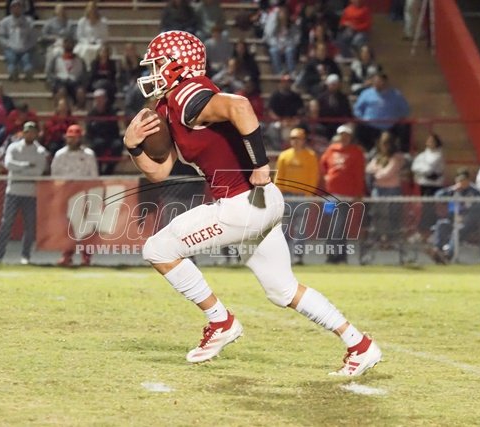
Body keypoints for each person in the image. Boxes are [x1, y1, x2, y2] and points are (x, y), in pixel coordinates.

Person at [125, 30, 381, 375]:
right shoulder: (169, 105)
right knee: (282, 290)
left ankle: (221, 321)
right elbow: (159, 172)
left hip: (241, 203)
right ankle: (359, 344)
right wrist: (133, 146)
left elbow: (241, 106)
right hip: (260, 202)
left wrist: (261, 164)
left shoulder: (188, 93)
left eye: (157, 64)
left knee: (158, 249)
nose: (152, 71)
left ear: (177, 64)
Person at [0, 121, 48, 265]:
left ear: (36, 134)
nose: (29, 135)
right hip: (13, 191)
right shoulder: (13, 147)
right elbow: (8, 164)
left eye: (32, 132)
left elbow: (38, 171)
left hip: (31, 192)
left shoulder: (40, 151)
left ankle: (25, 255)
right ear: (23, 133)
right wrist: (27, 165)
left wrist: (19, 169)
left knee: (30, 226)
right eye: (27, 132)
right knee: (6, 223)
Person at [51, 124, 98, 266]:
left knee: (86, 226)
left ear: (80, 138)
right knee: (67, 226)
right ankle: (67, 255)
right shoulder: (60, 155)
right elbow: (54, 174)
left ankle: (86, 257)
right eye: (70, 137)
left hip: (84, 193)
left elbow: (94, 175)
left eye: (75, 137)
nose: (72, 140)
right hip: (66, 193)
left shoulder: (88, 155)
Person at [319, 124, 366, 263]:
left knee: (338, 223)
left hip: (346, 194)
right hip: (330, 194)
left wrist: (358, 192)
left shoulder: (356, 152)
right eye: (342, 135)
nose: (344, 138)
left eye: (347, 135)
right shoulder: (331, 150)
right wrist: (325, 179)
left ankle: (333, 254)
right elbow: (322, 166)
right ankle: (341, 255)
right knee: (332, 223)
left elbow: (359, 173)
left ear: (350, 137)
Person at [274, 127, 320, 265]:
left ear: (303, 140)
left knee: (300, 229)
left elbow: (313, 177)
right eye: (293, 138)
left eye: (298, 138)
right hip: (287, 196)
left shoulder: (310, 156)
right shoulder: (284, 156)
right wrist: (278, 194)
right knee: (284, 228)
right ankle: (282, 256)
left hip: (302, 196)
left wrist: (308, 195)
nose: (295, 141)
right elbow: (279, 176)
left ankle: (298, 256)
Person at [429, 168, 480, 264]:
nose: (461, 183)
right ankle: (437, 250)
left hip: (467, 222)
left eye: (464, 180)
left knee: (457, 231)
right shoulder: (452, 190)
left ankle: (448, 255)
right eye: (459, 180)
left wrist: (466, 216)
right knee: (441, 224)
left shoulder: (474, 192)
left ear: (468, 180)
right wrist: (452, 190)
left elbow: (478, 209)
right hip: (452, 219)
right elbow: (438, 196)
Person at [353, 72, 410, 152]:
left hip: (390, 126)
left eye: (379, 81)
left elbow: (405, 109)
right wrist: (362, 118)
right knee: (359, 128)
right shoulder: (366, 93)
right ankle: (365, 151)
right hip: (370, 125)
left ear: (385, 82)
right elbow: (357, 109)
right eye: (375, 81)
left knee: (405, 127)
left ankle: (403, 152)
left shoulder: (396, 95)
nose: (377, 84)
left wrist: (398, 118)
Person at [365, 132, 405, 243]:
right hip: (378, 189)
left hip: (392, 189)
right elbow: (368, 169)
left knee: (392, 214)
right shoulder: (377, 157)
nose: (385, 146)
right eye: (383, 143)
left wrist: (376, 173)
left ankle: (392, 238)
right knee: (377, 214)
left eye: (387, 143)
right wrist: (378, 172)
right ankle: (377, 237)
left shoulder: (397, 157)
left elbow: (388, 173)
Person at [411, 133, 444, 232]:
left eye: (432, 141)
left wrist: (422, 169)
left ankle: (430, 226)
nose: (429, 143)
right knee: (425, 205)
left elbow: (429, 169)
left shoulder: (438, 155)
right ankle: (424, 227)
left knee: (430, 206)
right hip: (424, 184)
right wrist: (422, 169)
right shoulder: (422, 155)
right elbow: (414, 167)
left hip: (434, 185)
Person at [0, 0, 37, 82]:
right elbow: (1, 36)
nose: (16, 9)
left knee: (27, 60)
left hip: (25, 48)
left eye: (19, 7)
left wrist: (28, 46)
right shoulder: (5, 21)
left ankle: (28, 72)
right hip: (11, 48)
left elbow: (33, 36)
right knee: (11, 59)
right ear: (11, 9)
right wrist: (8, 45)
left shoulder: (29, 21)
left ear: (22, 8)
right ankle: (13, 73)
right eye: (14, 7)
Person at [46, 35, 87, 110]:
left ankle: (79, 110)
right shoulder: (56, 59)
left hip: (75, 82)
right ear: (63, 45)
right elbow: (50, 73)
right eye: (67, 43)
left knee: (80, 92)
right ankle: (60, 110)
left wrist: (80, 82)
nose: (69, 45)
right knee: (62, 91)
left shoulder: (79, 60)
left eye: (71, 43)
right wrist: (54, 82)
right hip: (60, 82)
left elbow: (84, 75)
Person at [86, 88, 121, 175]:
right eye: (97, 99)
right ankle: (98, 170)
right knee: (97, 145)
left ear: (105, 99)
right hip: (97, 138)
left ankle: (109, 170)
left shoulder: (111, 112)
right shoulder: (91, 114)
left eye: (101, 99)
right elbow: (89, 131)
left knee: (118, 145)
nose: (99, 101)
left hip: (110, 137)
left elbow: (115, 129)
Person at [267, 74, 304, 150]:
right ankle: (277, 148)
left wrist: (294, 120)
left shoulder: (296, 96)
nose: (287, 84)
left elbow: (301, 110)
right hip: (279, 120)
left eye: (288, 82)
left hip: (292, 120)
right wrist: (280, 120)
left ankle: (295, 147)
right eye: (285, 82)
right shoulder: (275, 96)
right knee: (272, 127)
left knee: (301, 126)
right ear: (281, 83)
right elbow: (271, 111)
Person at [264, 6, 300, 75]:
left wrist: (287, 45)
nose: (283, 16)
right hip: (277, 46)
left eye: (284, 14)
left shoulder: (292, 26)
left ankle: (291, 71)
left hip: (289, 46)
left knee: (289, 50)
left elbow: (296, 39)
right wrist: (279, 46)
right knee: (273, 51)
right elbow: (269, 37)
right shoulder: (274, 26)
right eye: (281, 14)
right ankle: (279, 72)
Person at [316, 74, 352, 139]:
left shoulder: (343, 98)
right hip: (324, 124)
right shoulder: (321, 98)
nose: (333, 86)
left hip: (339, 124)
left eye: (335, 84)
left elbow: (348, 112)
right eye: (332, 84)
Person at [41, 3, 75, 68]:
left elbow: (73, 35)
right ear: (55, 11)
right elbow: (43, 35)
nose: (61, 11)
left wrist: (67, 42)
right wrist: (52, 37)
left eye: (63, 9)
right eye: (59, 9)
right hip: (53, 44)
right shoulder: (49, 22)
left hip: (66, 46)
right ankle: (50, 71)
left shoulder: (70, 23)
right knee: (55, 52)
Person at [75, 1, 108, 68]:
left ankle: (94, 68)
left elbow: (105, 36)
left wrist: (96, 42)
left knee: (97, 50)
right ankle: (86, 68)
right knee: (85, 50)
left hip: (98, 44)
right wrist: (87, 42)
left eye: (93, 8)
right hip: (84, 44)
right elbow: (79, 36)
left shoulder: (103, 21)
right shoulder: (82, 21)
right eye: (90, 8)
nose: (91, 10)